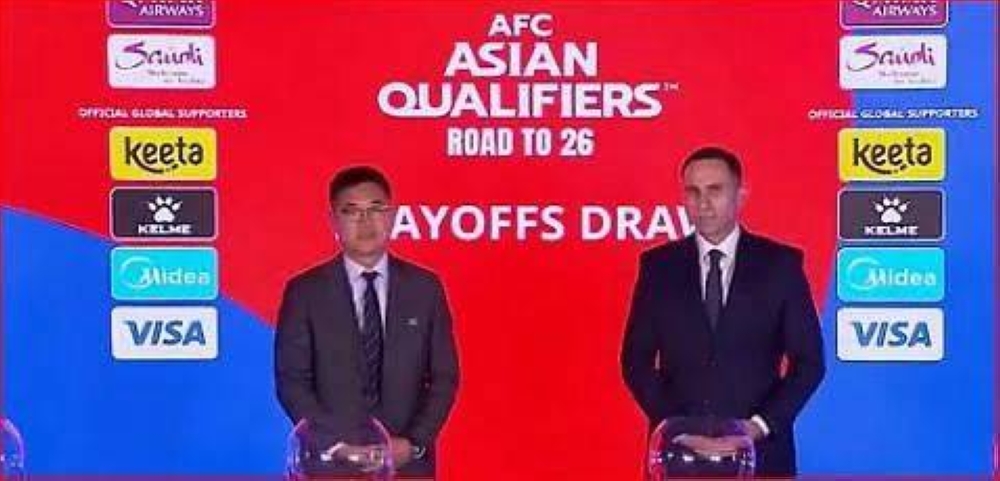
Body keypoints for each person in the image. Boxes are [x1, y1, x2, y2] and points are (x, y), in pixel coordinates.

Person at [620, 146, 825, 476]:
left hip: (762, 458)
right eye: (693, 192)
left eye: (714, 190)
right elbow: (635, 360)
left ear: (740, 196)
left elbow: (809, 362)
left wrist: (757, 427)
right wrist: (677, 427)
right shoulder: (658, 267)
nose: (703, 203)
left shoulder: (780, 265)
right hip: (678, 459)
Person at [275, 165, 459, 476]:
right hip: (330, 466)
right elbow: (292, 381)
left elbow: (444, 377)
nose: (365, 221)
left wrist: (412, 444)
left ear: (392, 216)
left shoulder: (424, 288)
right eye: (352, 211)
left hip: (407, 465)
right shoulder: (305, 291)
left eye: (376, 209)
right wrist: (336, 446)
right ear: (333, 221)